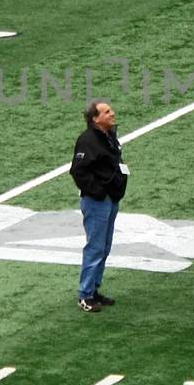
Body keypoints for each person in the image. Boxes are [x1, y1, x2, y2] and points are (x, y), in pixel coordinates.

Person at [69, 99, 126, 313]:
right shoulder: (87, 141)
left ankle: (94, 290)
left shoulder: (108, 136)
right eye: (107, 112)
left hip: (110, 200)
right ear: (95, 118)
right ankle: (85, 295)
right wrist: (99, 192)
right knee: (95, 248)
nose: (112, 113)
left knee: (104, 247)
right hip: (97, 202)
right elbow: (78, 171)